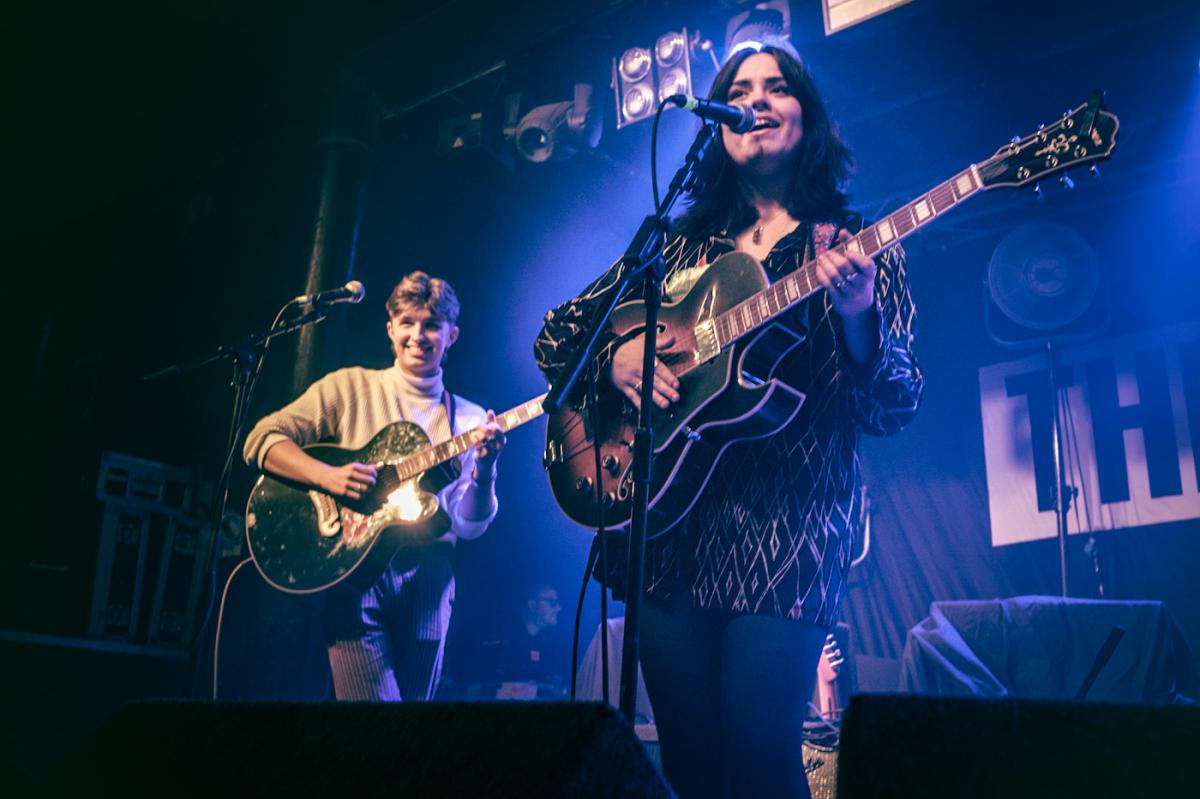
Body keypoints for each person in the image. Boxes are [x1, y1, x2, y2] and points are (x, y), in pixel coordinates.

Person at [534, 41, 922, 798]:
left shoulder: (851, 243)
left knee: (757, 756)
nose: (758, 99)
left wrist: (859, 315)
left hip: (790, 525)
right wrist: (617, 356)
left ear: (807, 115)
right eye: (740, 89)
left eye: (778, 87)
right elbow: (556, 334)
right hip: (671, 522)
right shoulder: (676, 244)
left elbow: (895, 403)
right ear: (717, 123)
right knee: (689, 761)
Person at [243, 270, 505, 702]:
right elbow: (261, 441)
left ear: (452, 335)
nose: (418, 335)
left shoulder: (471, 419)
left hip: (430, 577)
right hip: (354, 575)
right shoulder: (349, 387)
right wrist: (328, 477)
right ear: (390, 328)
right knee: (372, 720)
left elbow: (470, 525)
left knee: (409, 727)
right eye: (407, 322)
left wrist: (487, 468)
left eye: (432, 325)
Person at [495, 583, 567, 690]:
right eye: (552, 602)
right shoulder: (505, 639)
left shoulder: (552, 643)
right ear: (532, 605)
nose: (559, 608)